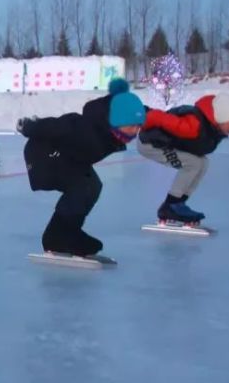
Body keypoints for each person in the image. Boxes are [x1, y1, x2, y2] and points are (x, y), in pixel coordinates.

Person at [17, 77, 146, 256]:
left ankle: (70, 232)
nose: (135, 131)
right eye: (131, 125)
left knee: (93, 185)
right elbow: (56, 126)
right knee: (82, 186)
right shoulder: (85, 127)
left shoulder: (112, 133)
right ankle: (55, 238)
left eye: (138, 126)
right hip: (43, 155)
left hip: (67, 159)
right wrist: (30, 126)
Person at [138, 92, 229, 223]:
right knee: (193, 163)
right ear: (222, 117)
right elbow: (159, 117)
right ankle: (170, 206)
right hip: (151, 143)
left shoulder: (213, 130)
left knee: (203, 163)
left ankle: (178, 204)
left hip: (168, 143)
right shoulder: (193, 126)